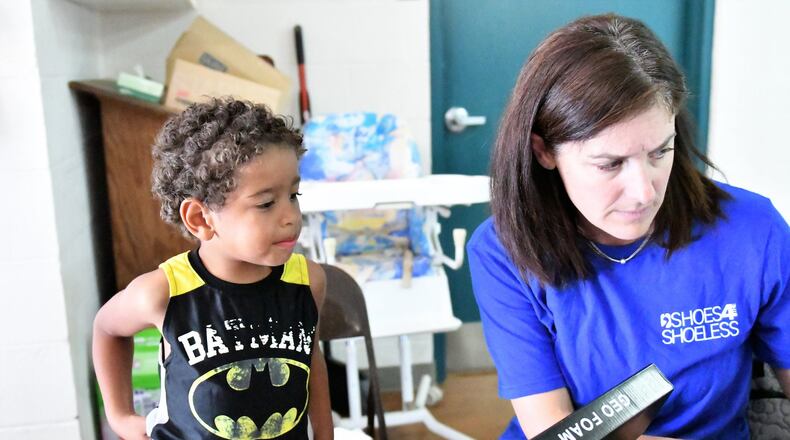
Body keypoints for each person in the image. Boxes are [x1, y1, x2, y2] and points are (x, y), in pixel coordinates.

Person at [467, 13, 789, 440]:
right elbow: (550, 425)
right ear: (544, 151)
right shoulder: (504, 250)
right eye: (609, 163)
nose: (643, 192)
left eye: (661, 151)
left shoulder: (752, 230)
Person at [93, 98, 333, 440]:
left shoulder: (307, 280)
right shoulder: (163, 292)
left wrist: (326, 435)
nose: (291, 217)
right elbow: (107, 328)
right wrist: (119, 416)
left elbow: (311, 359)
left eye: (293, 195)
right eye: (266, 203)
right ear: (200, 218)